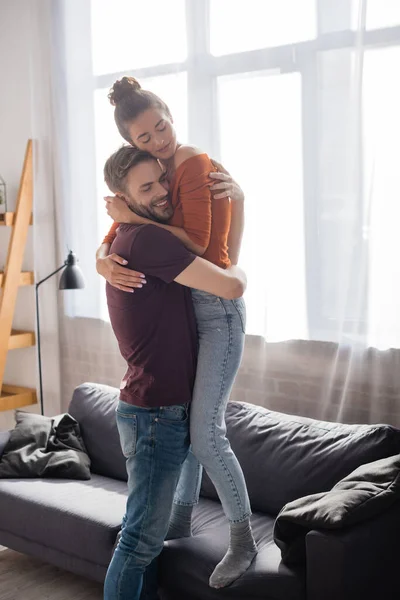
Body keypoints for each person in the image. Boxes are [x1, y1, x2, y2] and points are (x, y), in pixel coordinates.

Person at [97, 77, 257, 590]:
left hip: (216, 307)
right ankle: (182, 518)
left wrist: (136, 226)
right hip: (194, 300)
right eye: (145, 139)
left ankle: (243, 542)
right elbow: (115, 237)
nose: (158, 141)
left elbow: (207, 247)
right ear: (133, 145)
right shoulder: (152, 177)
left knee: (206, 434)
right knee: (192, 432)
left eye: (161, 127)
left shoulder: (189, 163)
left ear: (170, 114)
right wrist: (102, 261)